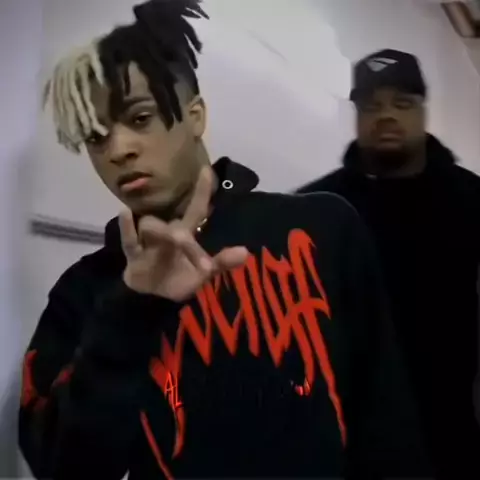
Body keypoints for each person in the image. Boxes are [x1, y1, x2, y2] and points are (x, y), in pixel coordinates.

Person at [19, 6, 429, 478]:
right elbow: (62, 467)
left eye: (141, 117)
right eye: (96, 138)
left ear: (195, 116)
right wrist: (131, 311)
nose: (118, 150)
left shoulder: (320, 227)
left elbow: (387, 420)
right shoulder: (87, 289)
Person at [298, 48, 480, 479]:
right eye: (371, 106)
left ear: (422, 111)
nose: (386, 116)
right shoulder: (314, 210)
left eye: (402, 103)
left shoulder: (471, 200)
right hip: (347, 443)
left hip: (452, 436)